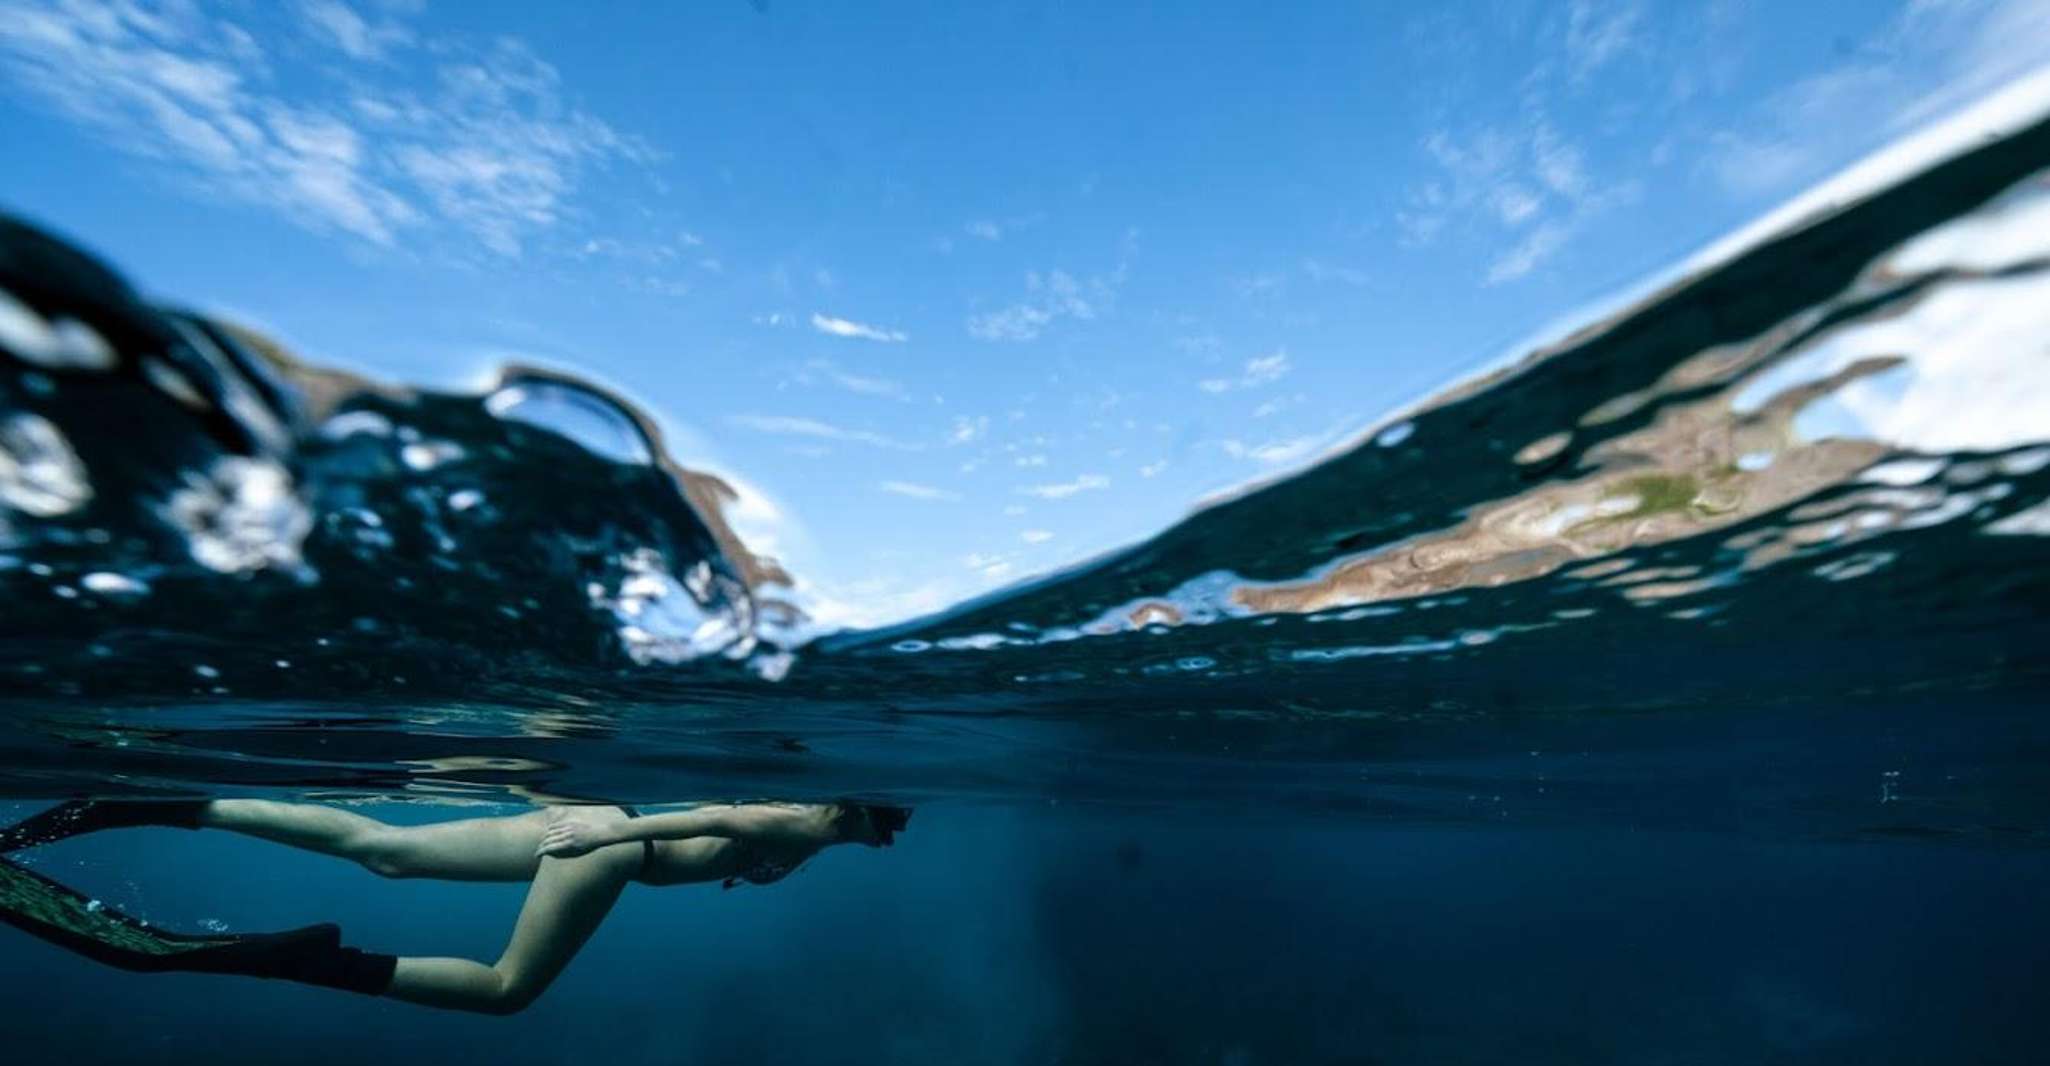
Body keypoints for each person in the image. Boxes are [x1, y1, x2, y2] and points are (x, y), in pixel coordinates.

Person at [0, 797, 908, 1014]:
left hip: (592, 824)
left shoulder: (814, 824)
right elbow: (716, 819)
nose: (889, 836)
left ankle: (166, 807)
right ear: (859, 811)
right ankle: (309, 962)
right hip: (608, 846)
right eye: (888, 823)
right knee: (507, 990)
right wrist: (608, 836)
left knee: (384, 851)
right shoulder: (805, 821)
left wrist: (586, 819)